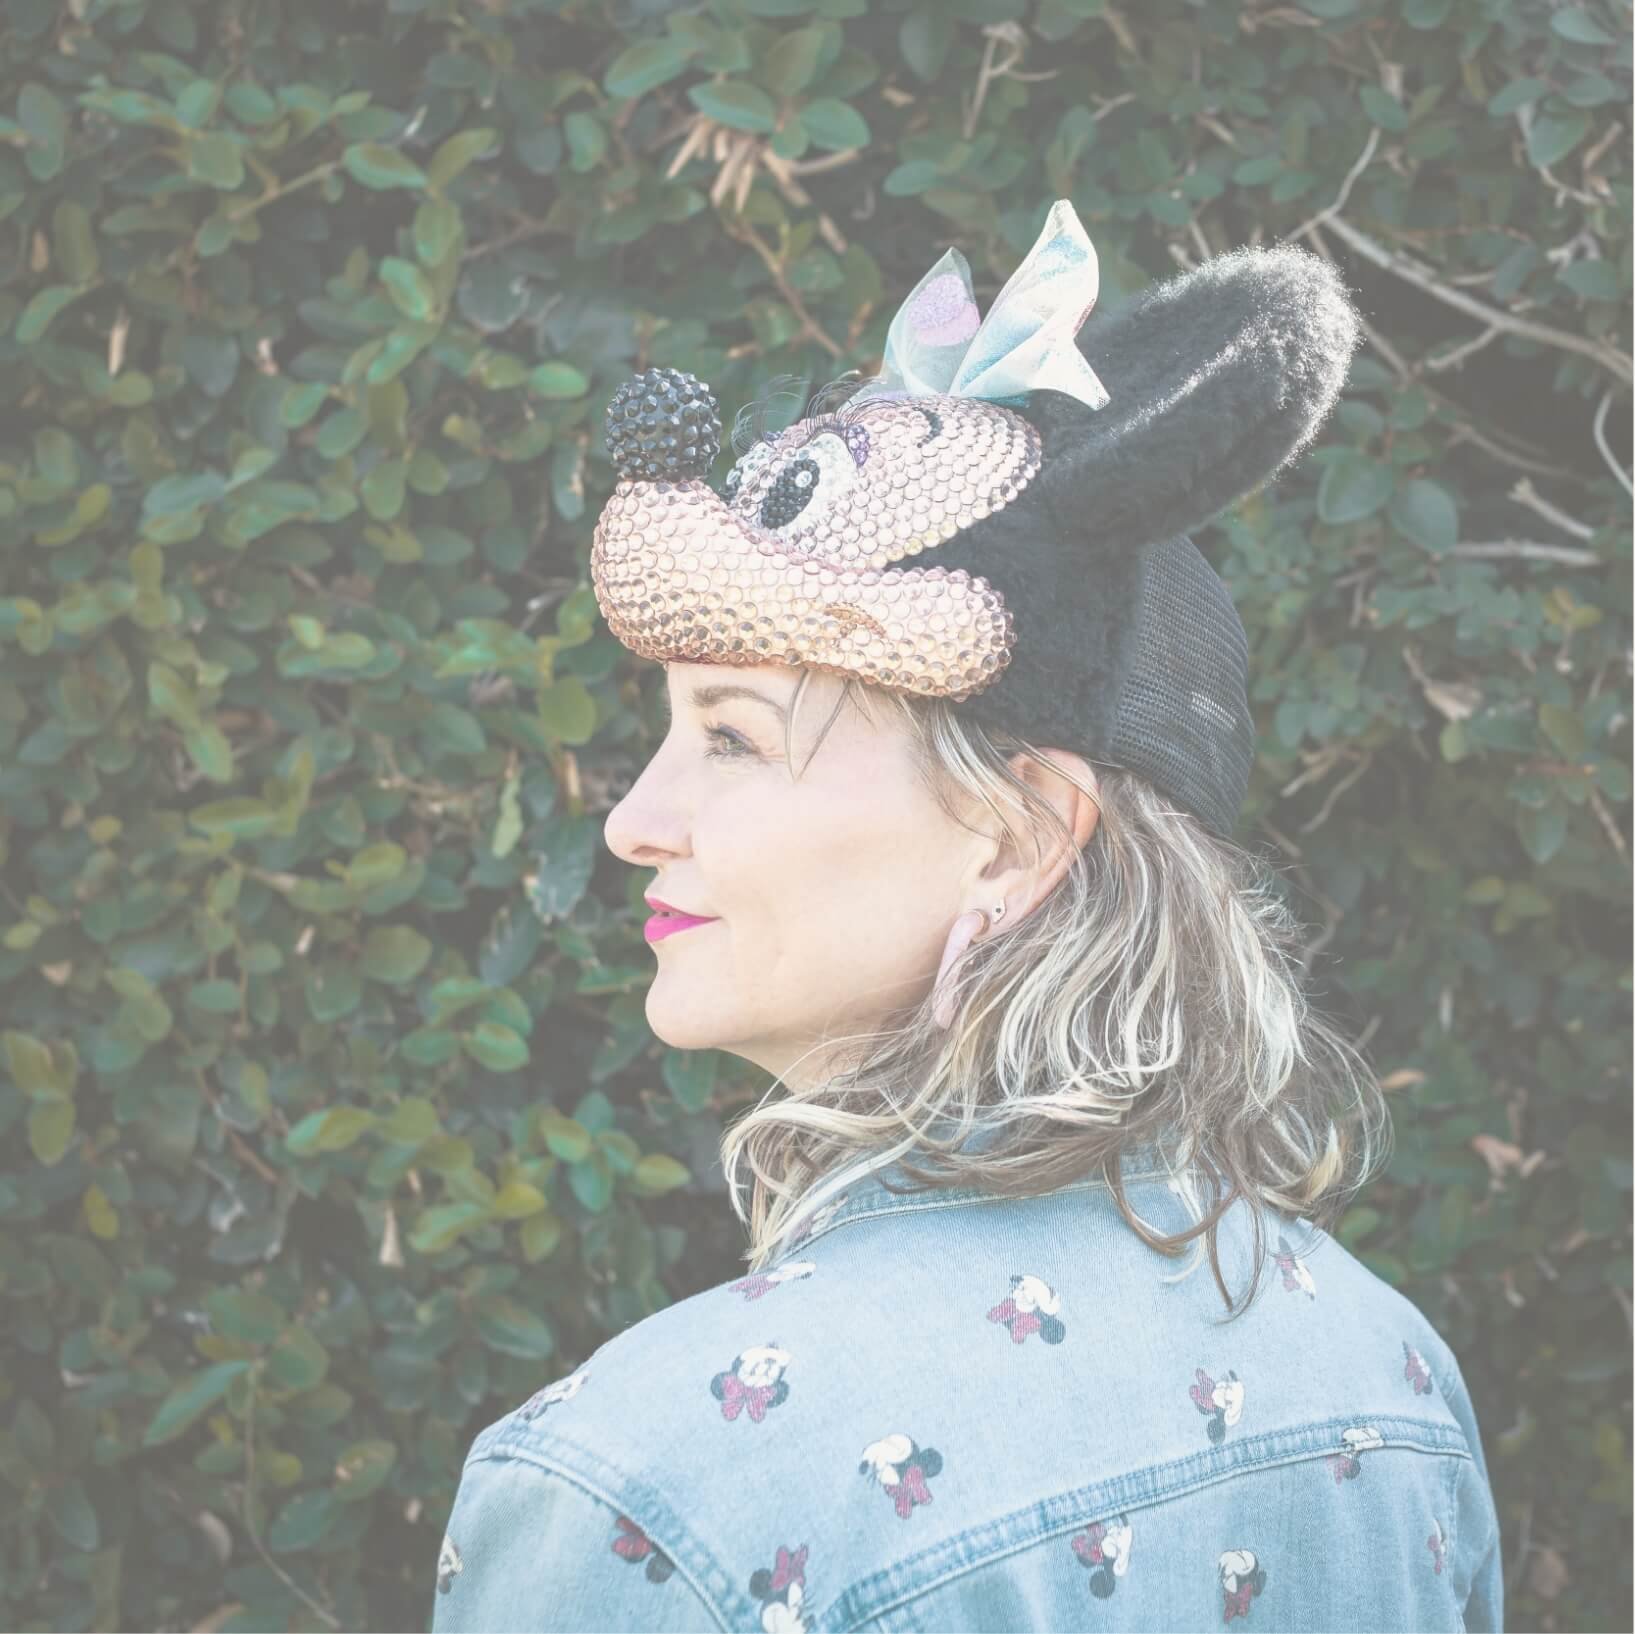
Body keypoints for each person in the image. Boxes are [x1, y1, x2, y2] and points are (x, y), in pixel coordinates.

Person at [430, 201, 1503, 1632]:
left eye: (734, 735)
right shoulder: (1395, 1381)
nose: (633, 819)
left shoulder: (657, 1489)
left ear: (1019, 836)